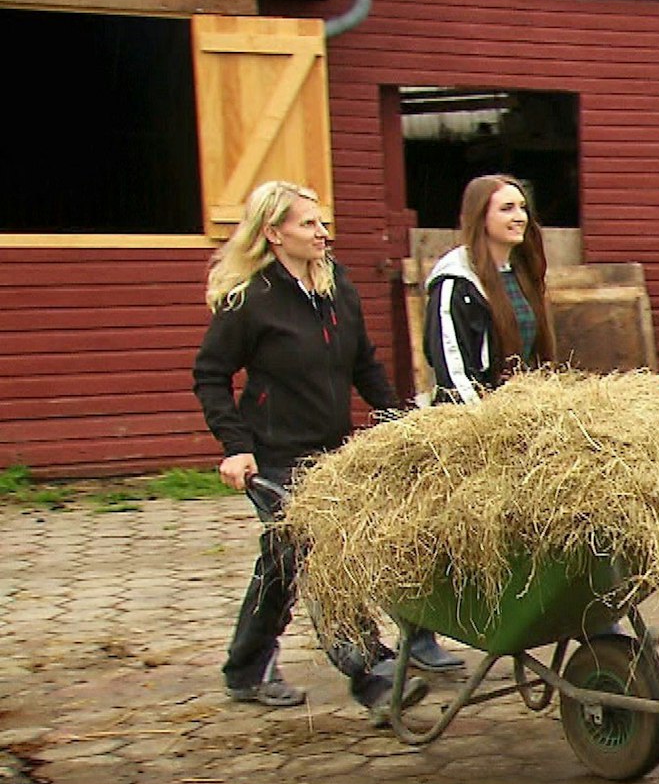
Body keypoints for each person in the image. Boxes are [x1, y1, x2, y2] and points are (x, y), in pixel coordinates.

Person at [192, 181, 456, 724]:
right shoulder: (253, 299)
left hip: (331, 451)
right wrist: (236, 447)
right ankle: (371, 672)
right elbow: (211, 375)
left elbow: (365, 366)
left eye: (322, 222)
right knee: (317, 551)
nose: (322, 232)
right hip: (274, 452)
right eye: (309, 224)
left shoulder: (337, 288)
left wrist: (395, 422)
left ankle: (245, 667)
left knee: (282, 561)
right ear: (274, 233)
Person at [423, 174, 558, 405]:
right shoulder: (456, 282)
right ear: (481, 217)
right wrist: (485, 425)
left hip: (519, 413)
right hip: (475, 423)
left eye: (522, 208)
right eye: (507, 209)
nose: (520, 217)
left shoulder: (522, 275)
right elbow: (453, 371)